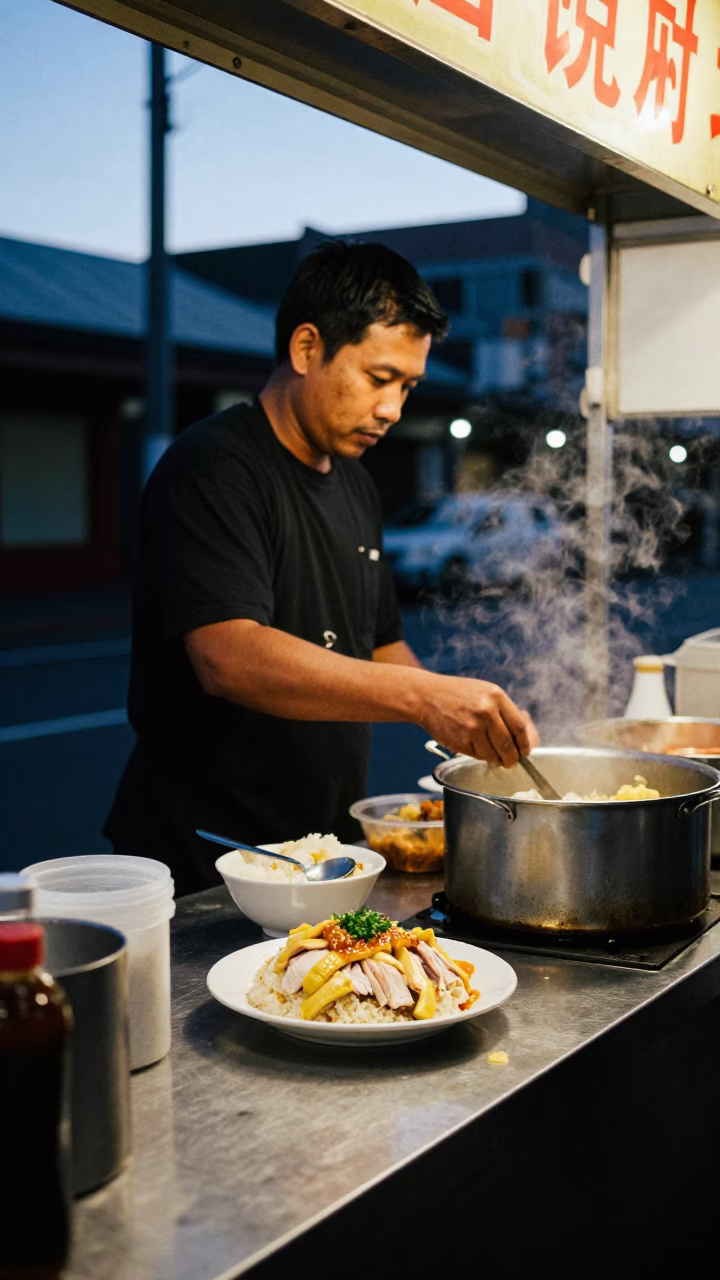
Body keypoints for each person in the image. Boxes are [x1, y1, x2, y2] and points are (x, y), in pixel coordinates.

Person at [105, 241, 536, 895]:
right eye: (378, 377)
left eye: (408, 386)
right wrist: (424, 701)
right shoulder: (215, 466)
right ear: (307, 349)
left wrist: (466, 716)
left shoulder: (356, 484)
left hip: (323, 847)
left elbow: (381, 642)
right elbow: (229, 655)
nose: (393, 408)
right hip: (209, 853)